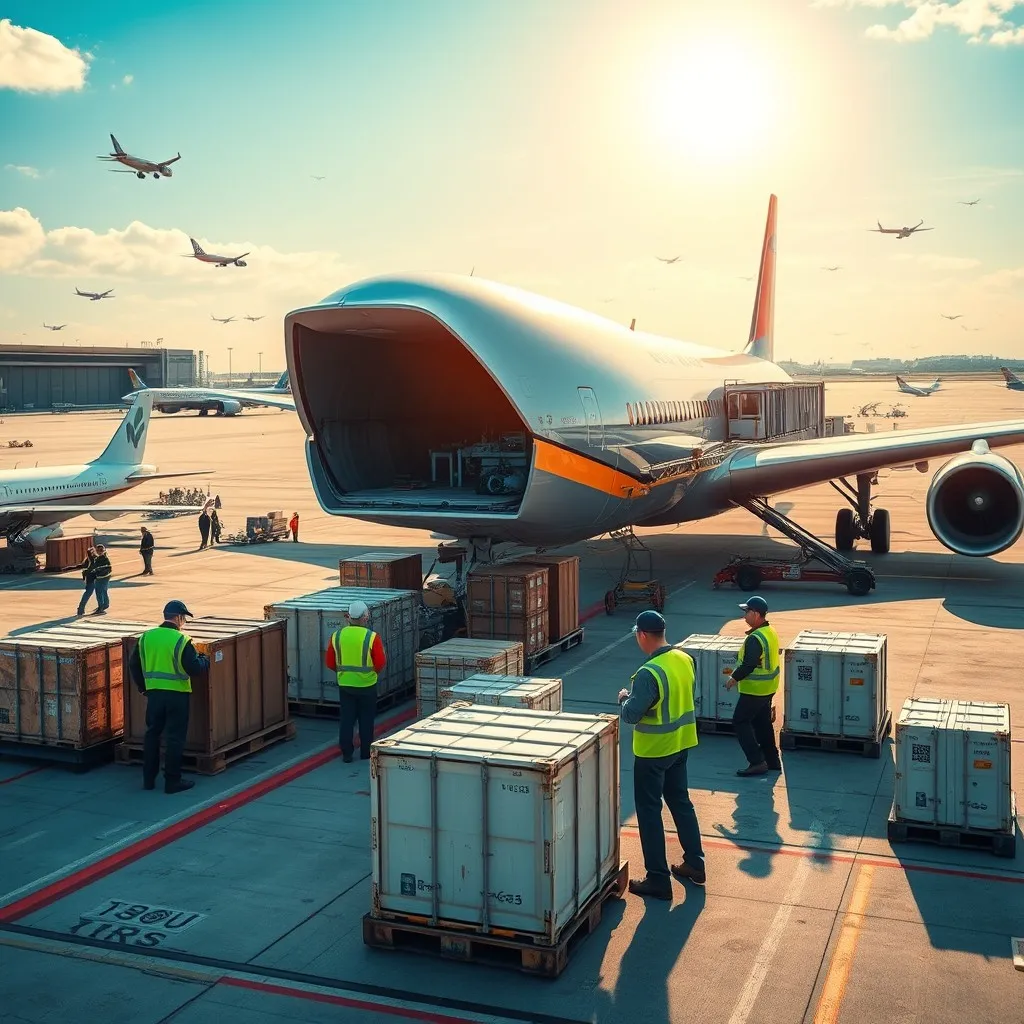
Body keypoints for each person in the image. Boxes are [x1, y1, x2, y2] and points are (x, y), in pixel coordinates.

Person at [618, 609, 705, 899]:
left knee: (649, 812)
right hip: (681, 745)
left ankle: (658, 879)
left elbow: (631, 714)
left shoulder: (648, 672)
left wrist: (623, 699)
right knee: (681, 802)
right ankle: (695, 863)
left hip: (654, 752)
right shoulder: (684, 658)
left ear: (642, 635)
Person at [128, 600, 210, 794]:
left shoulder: (146, 637)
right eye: (184, 619)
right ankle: (172, 781)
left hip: (154, 695)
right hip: (177, 696)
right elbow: (194, 669)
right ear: (179, 618)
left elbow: (133, 665)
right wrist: (204, 660)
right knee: (174, 738)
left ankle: (148, 780)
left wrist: (143, 688)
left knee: (152, 735)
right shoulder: (182, 640)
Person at [724, 595, 782, 777]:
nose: (744, 616)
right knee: (762, 723)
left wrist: (734, 678)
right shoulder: (769, 631)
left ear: (756, 614)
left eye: (747, 612)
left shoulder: (755, 638)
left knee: (740, 721)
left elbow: (749, 664)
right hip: (768, 688)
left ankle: (756, 762)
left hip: (755, 690)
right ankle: (772, 761)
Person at [325, 599, 386, 762]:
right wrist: (370, 674)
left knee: (347, 720)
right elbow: (380, 663)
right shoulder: (372, 637)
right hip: (367, 686)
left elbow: (330, 662)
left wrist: (345, 674)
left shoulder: (336, 636)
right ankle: (366, 752)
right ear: (365, 617)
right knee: (366, 720)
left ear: (348, 617)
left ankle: (346, 753)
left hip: (345, 686)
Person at [77, 543, 112, 615]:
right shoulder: (95, 559)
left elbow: (90, 569)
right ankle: (104, 605)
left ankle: (82, 609)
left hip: (95, 578)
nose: (98, 552)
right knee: (100, 591)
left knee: (96, 592)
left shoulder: (95, 559)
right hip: (96, 578)